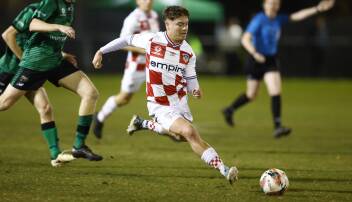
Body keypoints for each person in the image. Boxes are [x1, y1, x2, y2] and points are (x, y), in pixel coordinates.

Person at [92, 6, 239, 184]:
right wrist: (101, 51)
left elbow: (191, 77)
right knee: (189, 132)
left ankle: (143, 123)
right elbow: (125, 40)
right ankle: (224, 170)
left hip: (179, 101)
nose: (184, 28)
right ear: (167, 24)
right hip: (159, 104)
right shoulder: (153, 40)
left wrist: (195, 89)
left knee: (179, 137)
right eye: (179, 24)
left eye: (186, 24)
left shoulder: (188, 52)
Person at [0, 0, 102, 162]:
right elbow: (27, 27)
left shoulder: (69, 6)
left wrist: (62, 54)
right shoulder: (48, 4)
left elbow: (49, 39)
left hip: (51, 61)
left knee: (89, 93)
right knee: (4, 104)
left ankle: (75, 147)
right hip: (28, 65)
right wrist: (58, 27)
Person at [222, 0, 335, 138]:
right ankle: (230, 109)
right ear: (264, 5)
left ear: (278, 6)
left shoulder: (278, 19)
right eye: (270, 3)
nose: (273, 5)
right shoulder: (259, 20)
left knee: (275, 90)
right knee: (251, 95)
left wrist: (317, 8)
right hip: (256, 59)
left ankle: (277, 126)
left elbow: (297, 16)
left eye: (275, 3)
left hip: (270, 60)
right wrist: (255, 53)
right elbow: (245, 39)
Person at [93, 0, 159, 139]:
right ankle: (100, 117)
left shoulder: (153, 15)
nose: (147, 1)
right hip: (136, 66)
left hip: (153, 65)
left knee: (161, 94)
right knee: (124, 99)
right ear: (137, 1)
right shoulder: (132, 19)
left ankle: (167, 126)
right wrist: (144, 50)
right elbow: (122, 43)